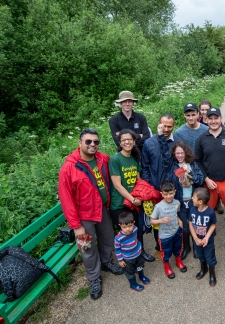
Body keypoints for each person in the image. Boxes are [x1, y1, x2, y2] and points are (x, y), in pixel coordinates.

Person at [58, 128, 123, 300]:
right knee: (87, 248)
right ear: (80, 143)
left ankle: (107, 262)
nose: (92, 144)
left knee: (108, 237)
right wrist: (76, 226)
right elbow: (66, 200)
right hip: (84, 216)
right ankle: (94, 278)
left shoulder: (102, 159)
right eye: (88, 141)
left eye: (95, 142)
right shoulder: (69, 168)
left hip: (102, 209)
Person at [194, 107, 225, 245]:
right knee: (207, 207)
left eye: (216, 118)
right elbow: (197, 160)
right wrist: (206, 179)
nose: (213, 121)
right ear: (206, 119)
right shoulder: (201, 139)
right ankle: (210, 227)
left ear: (221, 119)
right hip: (210, 180)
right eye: (210, 118)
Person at [159, 121, 204, 260]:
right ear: (174, 153)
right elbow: (169, 180)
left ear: (186, 152)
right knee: (184, 227)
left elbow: (200, 181)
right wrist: (161, 136)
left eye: (182, 152)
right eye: (177, 153)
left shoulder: (193, 164)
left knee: (196, 225)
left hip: (193, 201)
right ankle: (187, 247)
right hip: (179, 202)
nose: (179, 155)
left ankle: (197, 247)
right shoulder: (172, 167)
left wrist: (190, 172)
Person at [108, 129, 155, 262]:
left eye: (130, 139)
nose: (127, 142)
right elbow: (117, 185)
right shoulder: (115, 160)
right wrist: (132, 199)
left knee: (137, 230)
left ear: (134, 142)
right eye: (124, 140)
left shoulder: (134, 159)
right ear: (120, 142)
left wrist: (144, 194)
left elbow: (138, 180)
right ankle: (126, 260)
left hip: (134, 202)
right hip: (120, 204)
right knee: (125, 234)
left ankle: (141, 253)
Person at [141, 114, 176, 255]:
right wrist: (150, 187)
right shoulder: (149, 143)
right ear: (158, 124)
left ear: (173, 126)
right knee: (158, 219)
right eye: (164, 126)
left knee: (172, 217)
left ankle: (174, 244)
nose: (166, 129)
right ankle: (159, 245)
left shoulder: (176, 142)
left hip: (172, 189)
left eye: (169, 126)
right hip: (155, 189)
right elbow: (145, 167)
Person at [150, 180, 187, 279]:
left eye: (171, 193)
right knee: (166, 252)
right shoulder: (158, 207)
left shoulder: (177, 202)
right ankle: (167, 267)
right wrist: (161, 220)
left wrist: (180, 221)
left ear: (174, 192)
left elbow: (176, 213)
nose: (168, 196)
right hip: (165, 235)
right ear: (161, 193)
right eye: (165, 194)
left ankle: (178, 262)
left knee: (178, 248)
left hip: (176, 231)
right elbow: (152, 221)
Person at [114, 211, 150, 292]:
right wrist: (120, 260)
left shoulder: (135, 229)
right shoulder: (118, 238)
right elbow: (117, 250)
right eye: (124, 227)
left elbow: (136, 239)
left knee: (140, 266)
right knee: (129, 272)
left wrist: (139, 247)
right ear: (120, 225)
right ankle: (133, 284)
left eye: (130, 226)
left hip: (137, 254)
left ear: (133, 223)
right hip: (127, 259)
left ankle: (142, 276)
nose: (127, 229)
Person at [189, 187, 217, 287]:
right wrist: (195, 239)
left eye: (194, 197)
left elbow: (213, 224)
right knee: (200, 255)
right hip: (197, 240)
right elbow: (190, 224)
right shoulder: (192, 210)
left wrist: (207, 237)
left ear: (200, 201)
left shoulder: (210, 212)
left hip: (208, 241)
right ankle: (203, 269)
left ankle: (212, 274)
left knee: (210, 257)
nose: (192, 198)